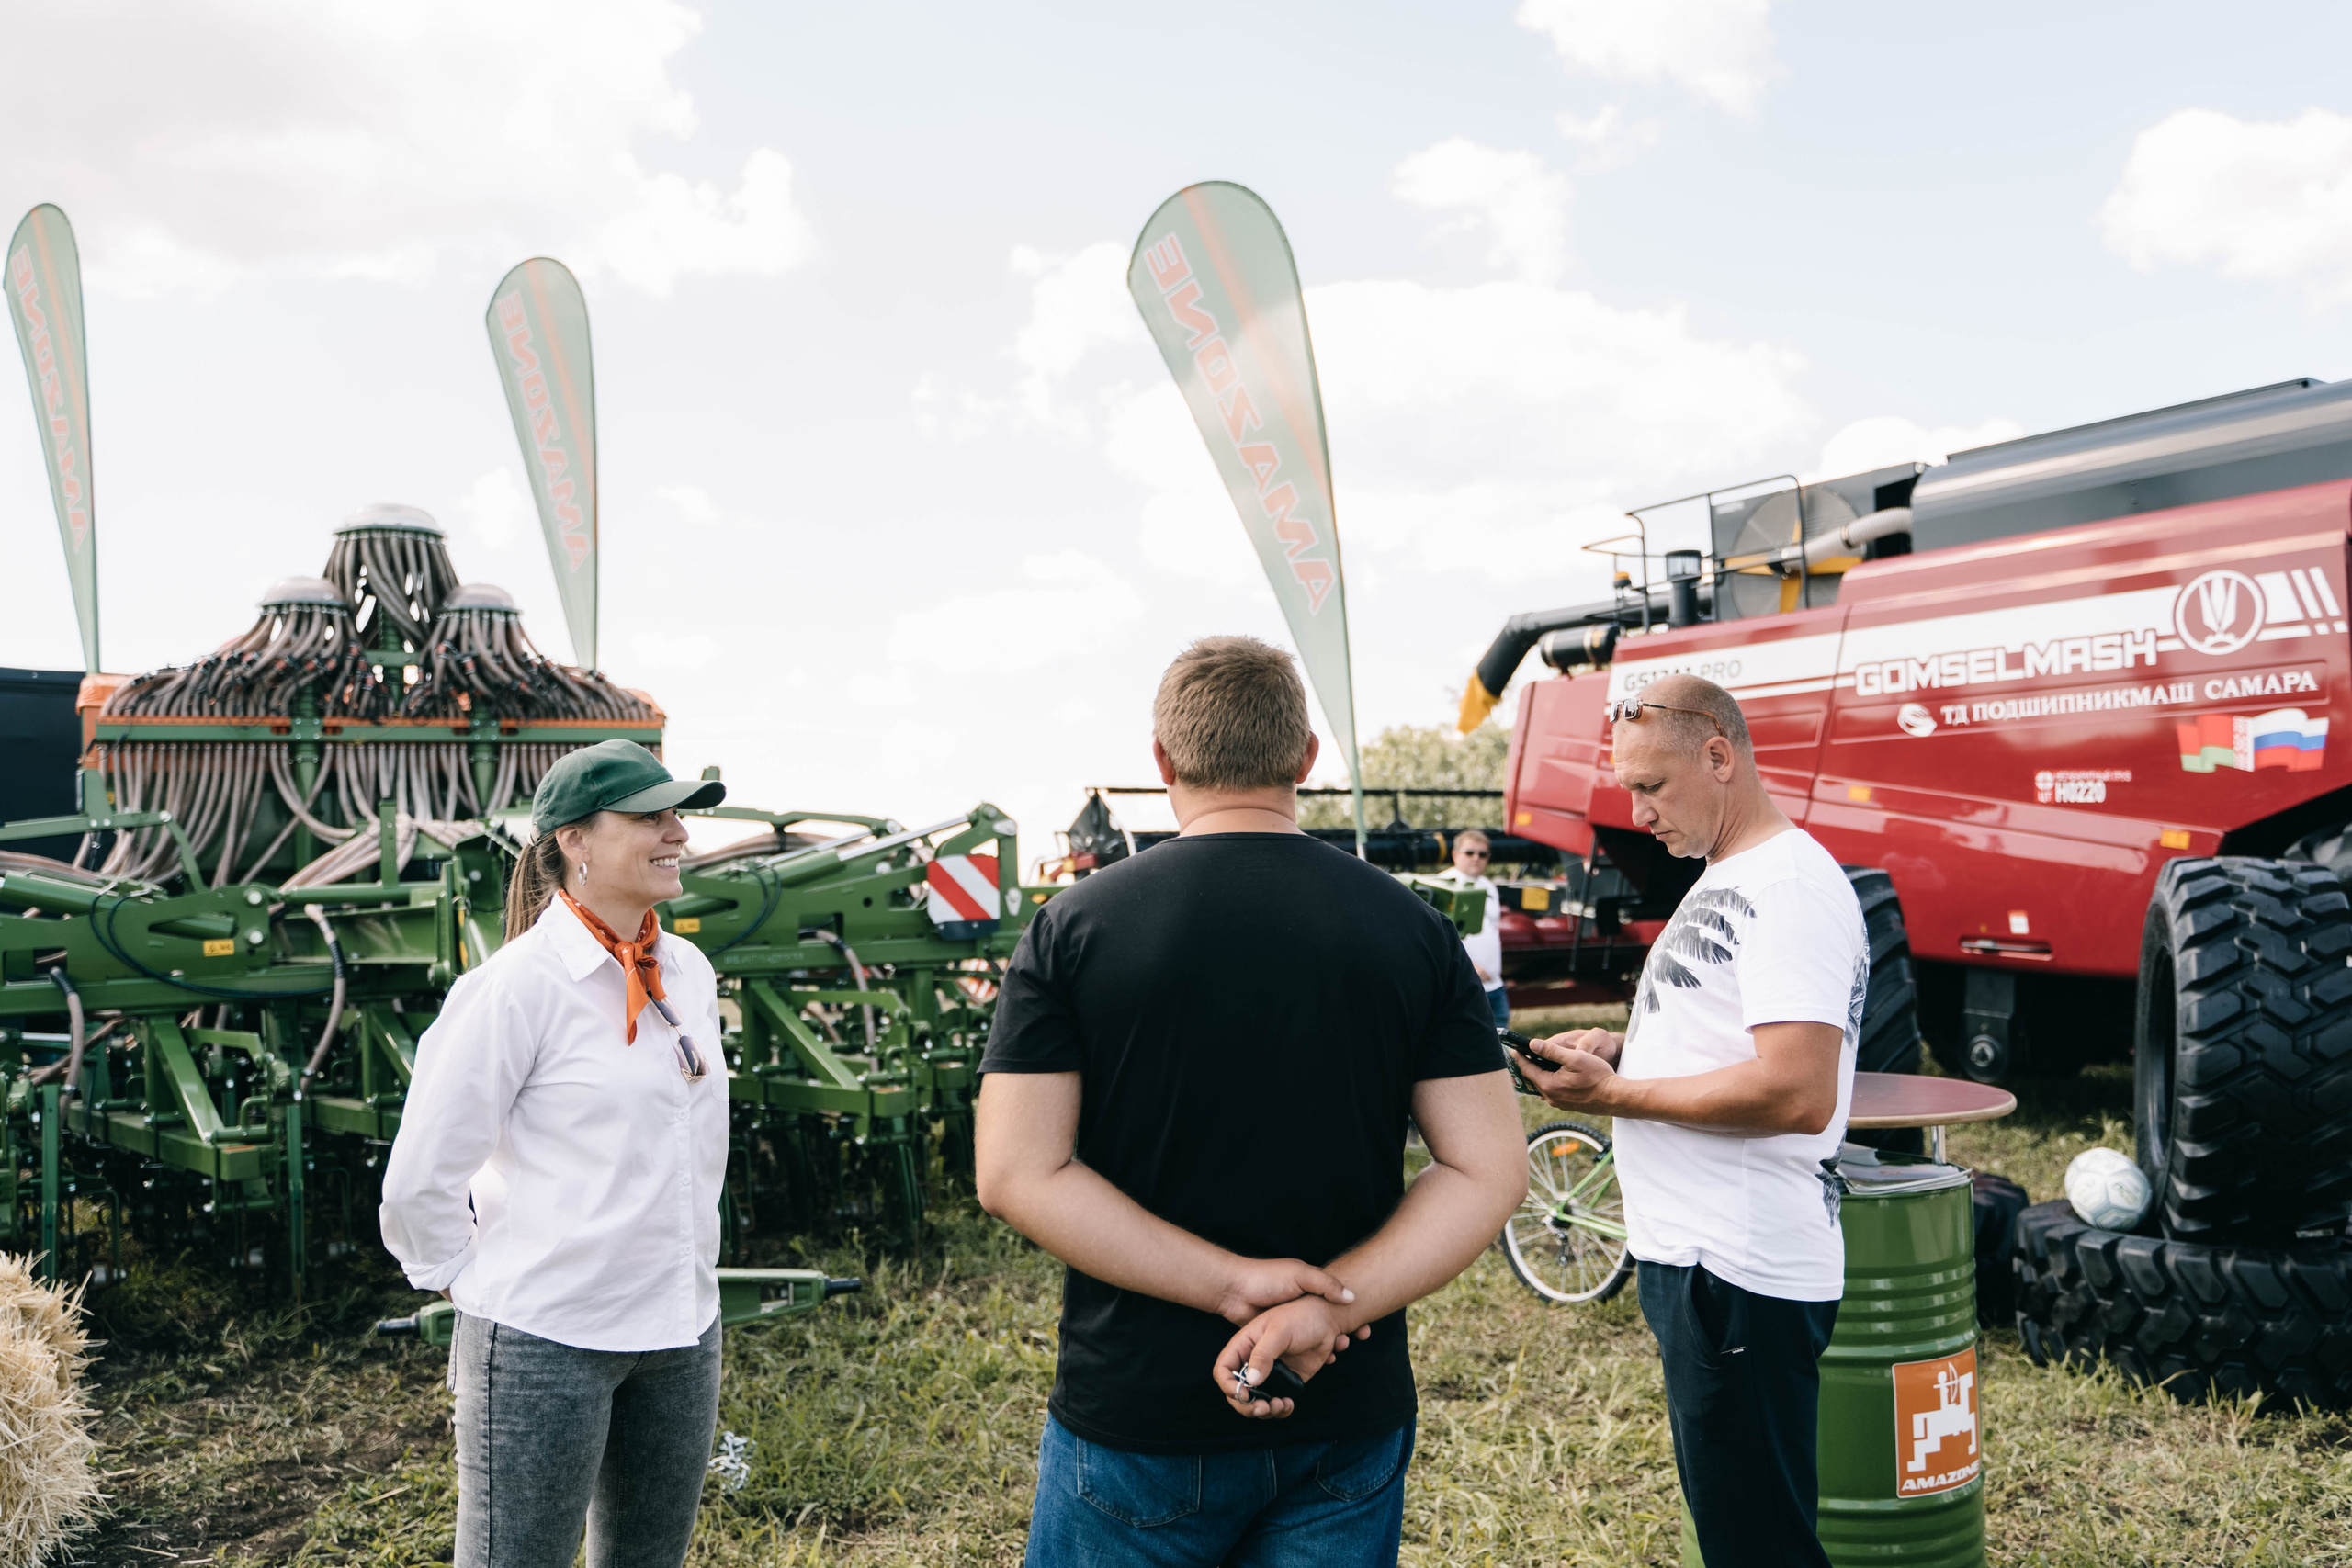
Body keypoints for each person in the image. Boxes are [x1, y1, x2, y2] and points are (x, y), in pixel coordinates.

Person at [975, 636, 1526, 1568]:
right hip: (1340, 1406)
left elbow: (1017, 1173)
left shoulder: (1073, 927)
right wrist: (1331, 1306)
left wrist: (1231, 1285)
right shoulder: (1412, 928)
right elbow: (1486, 1168)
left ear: (1162, 764)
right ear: (1305, 758)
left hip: (1142, 1410)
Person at [1520, 674, 1865, 1568]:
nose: (1637, 813)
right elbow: (1728, 1042)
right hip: (1705, 1267)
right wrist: (1627, 1048)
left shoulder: (1787, 885)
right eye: (1629, 788)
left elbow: (1797, 1091)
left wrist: (1612, 1097)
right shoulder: (1730, 873)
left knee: (1759, 1548)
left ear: (1719, 756)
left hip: (1737, 1271)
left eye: (1651, 787)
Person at [380, 739, 729, 1568]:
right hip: (548, 1340)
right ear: (574, 840)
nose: (677, 832)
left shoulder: (687, 970)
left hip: (681, 1331)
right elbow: (418, 1180)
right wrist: (475, 1281)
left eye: (677, 814)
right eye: (651, 816)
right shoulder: (516, 987)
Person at [1436, 828, 1510, 1029]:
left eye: (1482, 854)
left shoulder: (1488, 886)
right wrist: (1470, 967)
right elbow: (1438, 938)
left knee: (1503, 1052)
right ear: (1455, 854)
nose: (1476, 858)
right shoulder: (1443, 885)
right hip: (1467, 989)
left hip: (1495, 987)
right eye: (1470, 853)